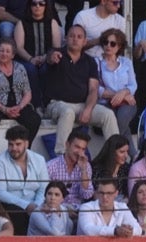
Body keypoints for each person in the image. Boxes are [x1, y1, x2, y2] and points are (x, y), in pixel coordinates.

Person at [45, 25, 120, 153]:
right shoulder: (57, 55)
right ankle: (60, 157)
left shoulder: (90, 61)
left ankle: (116, 155)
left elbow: (93, 89)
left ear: (85, 41)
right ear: (66, 39)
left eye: (79, 37)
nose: (75, 39)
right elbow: (49, 58)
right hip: (57, 104)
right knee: (68, 112)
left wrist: (88, 109)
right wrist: (51, 57)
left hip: (82, 105)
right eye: (72, 36)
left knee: (108, 115)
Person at [0, 38, 43, 159]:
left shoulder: (20, 68)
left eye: (8, 51)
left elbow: (28, 92)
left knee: (34, 119)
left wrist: (20, 107)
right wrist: (4, 109)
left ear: (13, 55)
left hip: (18, 105)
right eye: (1, 50)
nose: (4, 53)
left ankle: (24, 151)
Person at [0, 124, 49, 234]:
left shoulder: (39, 160)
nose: (14, 148)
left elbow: (44, 187)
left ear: (26, 144)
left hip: (37, 204)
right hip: (11, 207)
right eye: (10, 144)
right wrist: (26, 205)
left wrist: (36, 206)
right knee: (18, 215)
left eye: (18, 144)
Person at [14, 0, 62, 108]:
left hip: (47, 58)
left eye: (41, 4)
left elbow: (56, 46)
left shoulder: (52, 22)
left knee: (46, 69)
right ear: (29, 6)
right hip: (26, 59)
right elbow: (19, 47)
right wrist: (31, 59)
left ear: (46, 6)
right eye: (34, 3)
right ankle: (36, 105)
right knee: (31, 69)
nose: (37, 6)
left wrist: (45, 57)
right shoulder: (21, 23)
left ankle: (47, 103)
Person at [97, 29, 139, 147]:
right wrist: (118, 96)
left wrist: (124, 93)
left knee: (121, 119)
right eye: (106, 42)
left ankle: (112, 149)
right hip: (105, 103)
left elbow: (133, 85)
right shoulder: (96, 63)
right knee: (119, 123)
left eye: (113, 43)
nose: (108, 46)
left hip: (126, 102)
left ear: (119, 46)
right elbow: (97, 89)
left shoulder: (126, 62)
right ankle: (132, 155)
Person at [46, 129, 95, 210]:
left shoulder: (86, 166)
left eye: (83, 149)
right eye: (77, 147)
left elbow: (87, 195)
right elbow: (46, 197)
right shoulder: (51, 166)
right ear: (67, 145)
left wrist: (83, 170)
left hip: (78, 209)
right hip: (57, 209)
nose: (80, 152)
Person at [77, 178, 143, 236]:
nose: (105, 197)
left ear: (116, 193)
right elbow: (89, 229)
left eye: (109, 193)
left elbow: (138, 229)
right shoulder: (86, 207)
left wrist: (128, 231)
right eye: (101, 193)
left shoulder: (122, 207)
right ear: (96, 193)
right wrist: (115, 231)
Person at [92, 134, 132, 199]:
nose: (126, 156)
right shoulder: (97, 168)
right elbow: (97, 193)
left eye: (127, 151)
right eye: (122, 152)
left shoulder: (126, 168)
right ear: (112, 152)